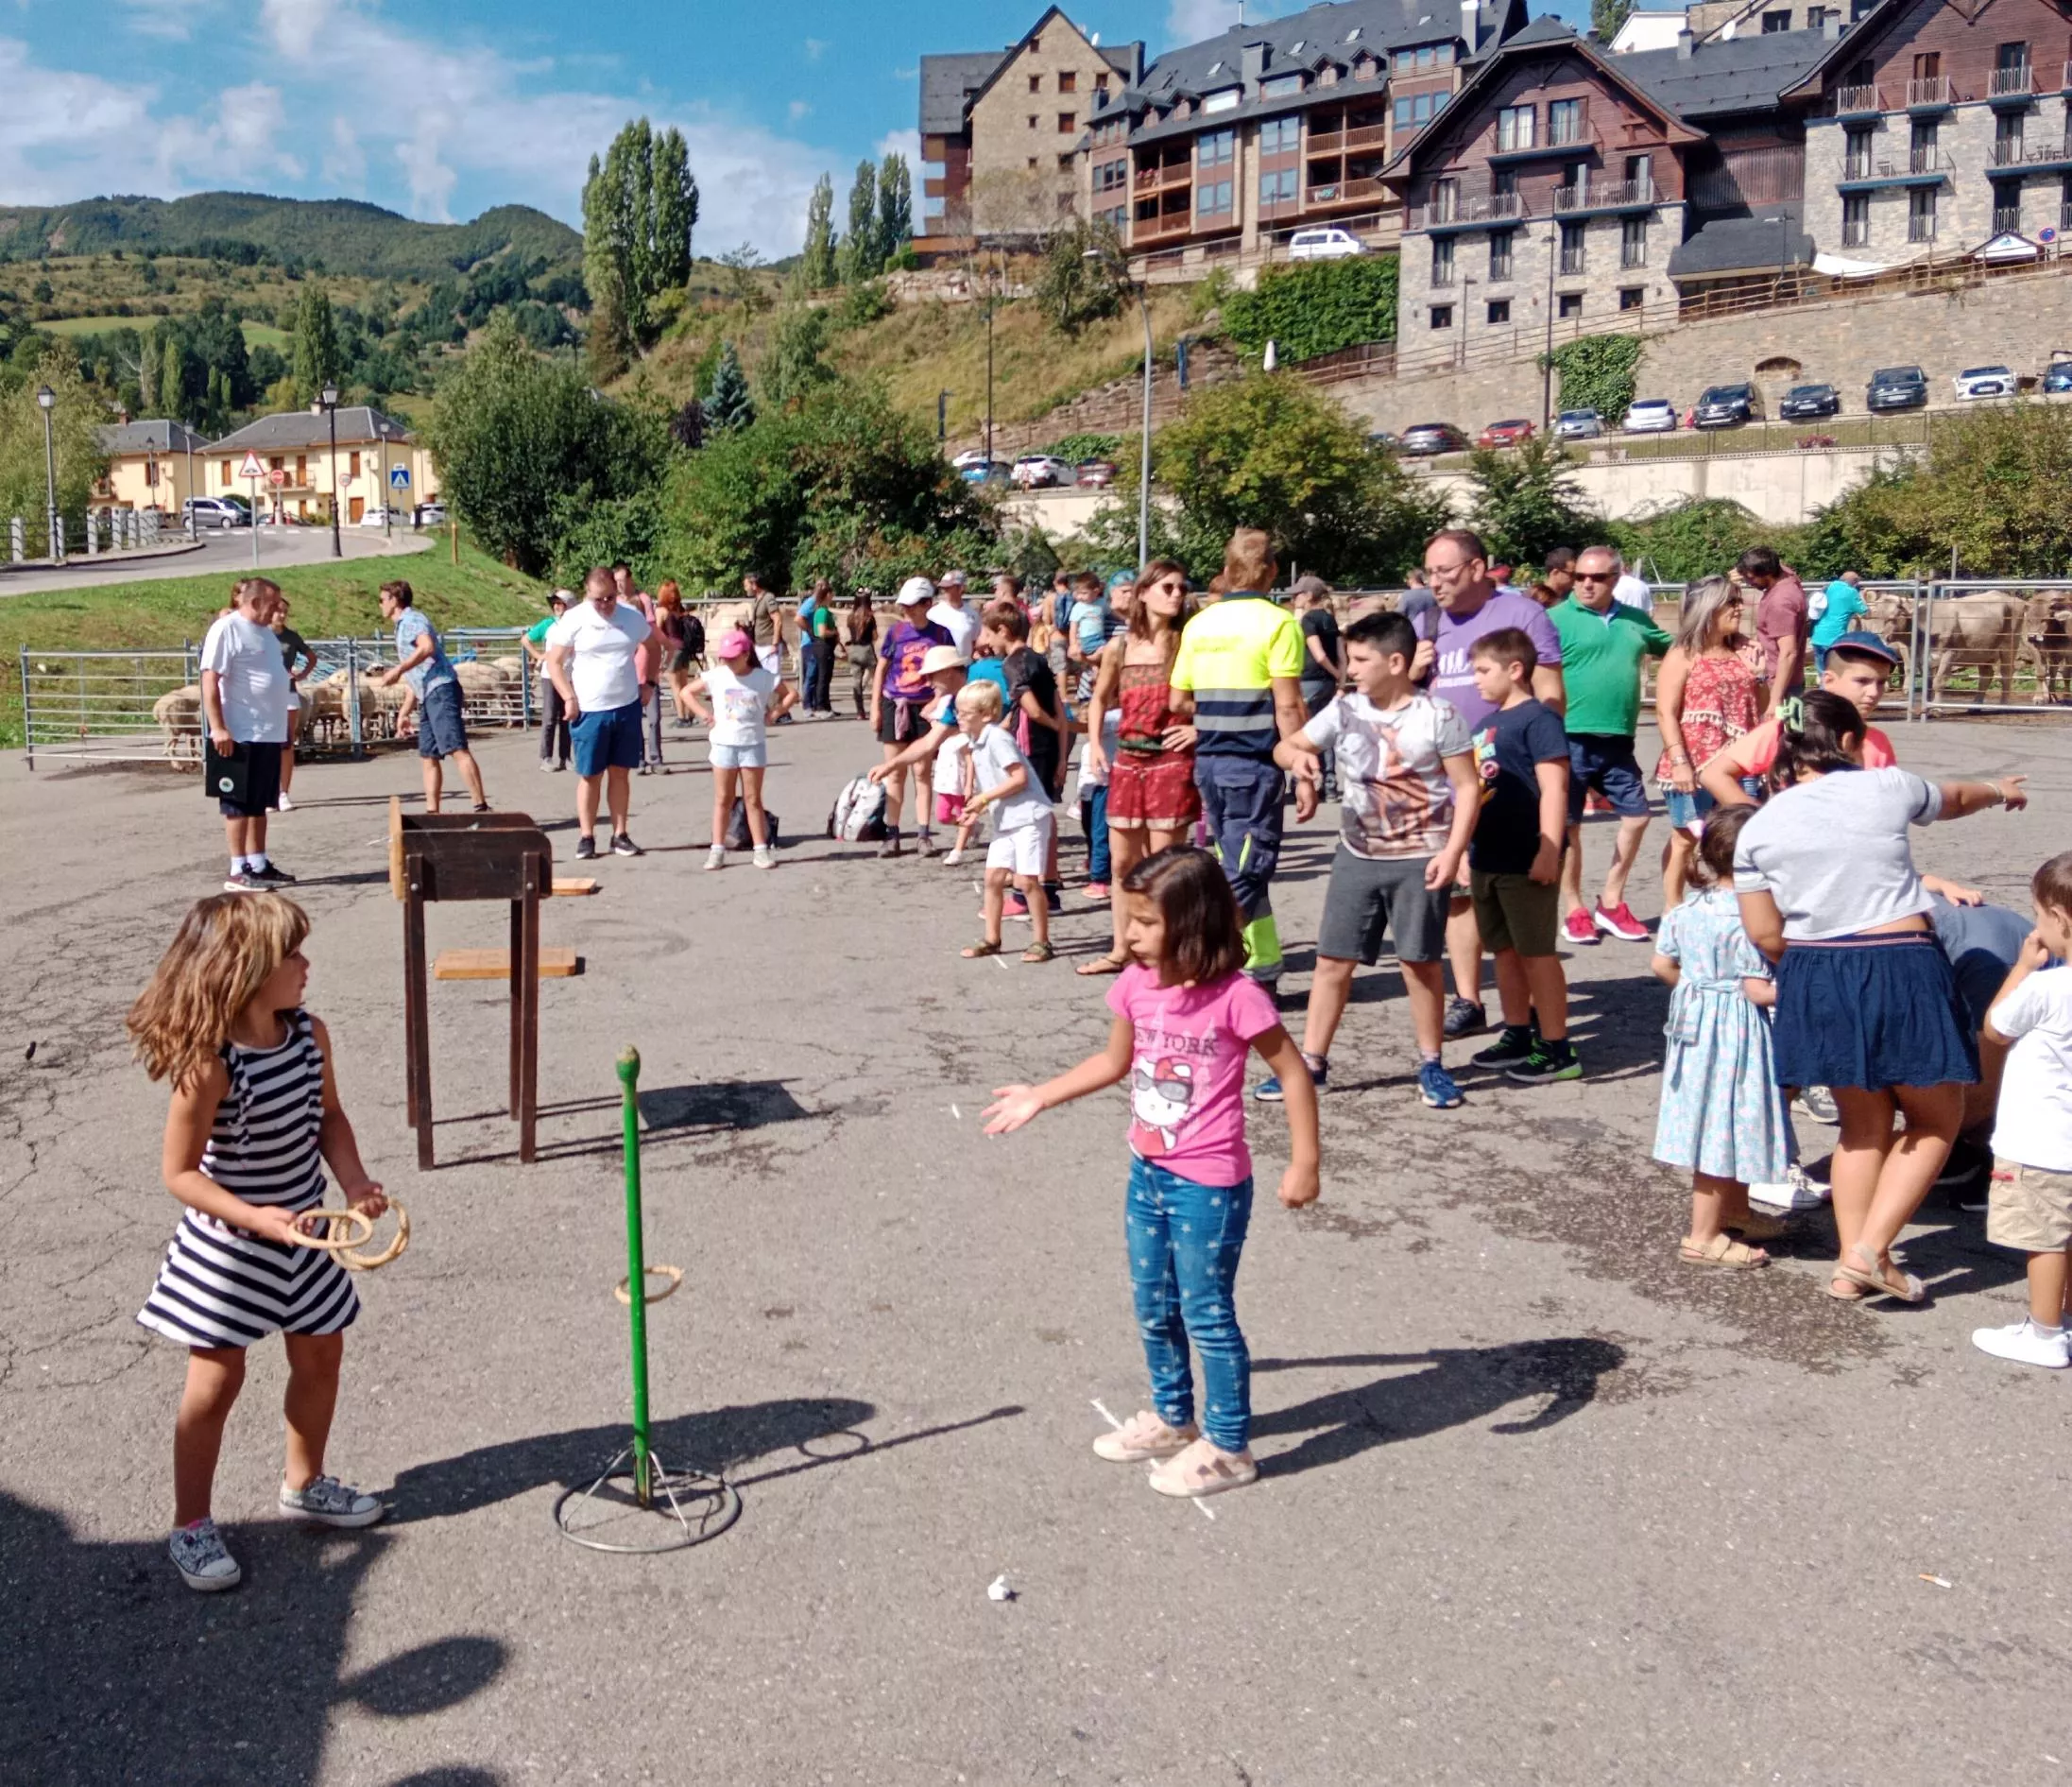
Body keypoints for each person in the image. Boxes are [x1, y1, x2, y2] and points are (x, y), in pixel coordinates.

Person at [982, 846, 1321, 1499]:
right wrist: (1040, 1094)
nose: (1129, 933)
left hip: (1209, 1184)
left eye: (1144, 921)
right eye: (1127, 918)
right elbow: (1113, 1063)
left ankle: (1227, 1445)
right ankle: (1173, 1418)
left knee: (1206, 1312)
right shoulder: (1136, 985)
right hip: (1147, 1171)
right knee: (1152, 1304)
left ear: (1193, 924)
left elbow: (1291, 1071)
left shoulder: (1236, 996)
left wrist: (1304, 1161)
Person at [128, 892, 387, 1591]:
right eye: (292, 955)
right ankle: (190, 1523)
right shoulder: (210, 1064)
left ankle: (305, 1483)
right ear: (246, 971)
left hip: (305, 1235)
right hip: (230, 1249)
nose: (306, 965)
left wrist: (355, 1181)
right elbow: (179, 1174)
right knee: (216, 1381)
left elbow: (328, 1117)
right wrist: (257, 1216)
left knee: (321, 1355)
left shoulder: (309, 1035)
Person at [1733, 691, 2028, 1303]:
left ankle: (1849, 1264)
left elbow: (1762, 931)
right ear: (1846, 742)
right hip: (1898, 964)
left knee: (1860, 1126)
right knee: (1934, 1118)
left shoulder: (1758, 826)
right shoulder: (1884, 785)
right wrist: (1999, 789)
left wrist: (1818, 967)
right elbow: (1956, 797)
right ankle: (1870, 1251)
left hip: (1813, 970)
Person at [1259, 610, 1480, 1109]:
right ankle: (1311, 1063)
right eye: (1347, 659)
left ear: (1397, 661)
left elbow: (1467, 788)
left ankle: (1431, 1063)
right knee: (1332, 962)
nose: (1350, 669)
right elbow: (1284, 747)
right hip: (1356, 854)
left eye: (1360, 660)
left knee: (1420, 964)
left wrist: (1453, 851)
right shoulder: (1343, 710)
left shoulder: (1440, 716)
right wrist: (1301, 764)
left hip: (1421, 857)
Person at [1409, 528, 1565, 1040]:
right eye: (1429, 572)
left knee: (1513, 899)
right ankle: (1470, 998)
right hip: (1443, 783)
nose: (1435, 583)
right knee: (1458, 892)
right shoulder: (1425, 621)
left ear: (1478, 568)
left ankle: (1535, 1015)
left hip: (1509, 784)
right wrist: (1411, 672)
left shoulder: (1522, 616)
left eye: (1445, 572)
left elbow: (1551, 697)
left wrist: (1526, 756)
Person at [1168, 528, 1315, 984]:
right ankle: (1194, 958)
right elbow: (1288, 705)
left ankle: (1262, 965)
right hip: (1253, 765)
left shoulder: (1199, 624)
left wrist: (1216, 715)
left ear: (1227, 572)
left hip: (1210, 763)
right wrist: (1305, 771)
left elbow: (1177, 702)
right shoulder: (1278, 623)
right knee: (1248, 869)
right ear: (1271, 571)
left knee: (1238, 861)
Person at [1651, 806, 1794, 1269]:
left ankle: (1734, 1209)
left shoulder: (1689, 908)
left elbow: (1662, 965)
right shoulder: (1757, 917)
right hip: (1737, 1028)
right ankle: (1703, 1235)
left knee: (1724, 1115)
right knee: (1725, 1121)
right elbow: (1763, 980)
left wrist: (1700, 991)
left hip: (1696, 1028)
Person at [1464, 628, 1580, 1083]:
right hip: (1486, 857)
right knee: (1505, 953)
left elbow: (1555, 788)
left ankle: (1557, 1046)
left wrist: (1549, 849)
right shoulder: (1484, 725)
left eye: (1483, 670)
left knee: (1537, 954)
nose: (1475, 679)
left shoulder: (1539, 719)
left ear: (1515, 670)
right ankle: (1517, 1032)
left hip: (1526, 856)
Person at [1973, 852, 2072, 1366]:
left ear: (2059, 919)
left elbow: (1996, 1028)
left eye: (2038, 915)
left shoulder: (2047, 987)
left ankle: (2044, 1334)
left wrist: (2021, 966)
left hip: (2042, 1145)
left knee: (2046, 1241)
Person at [1550, 545, 1673, 947]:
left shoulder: (1635, 620)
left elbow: (1679, 651)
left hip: (1619, 737)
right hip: (1567, 737)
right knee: (1569, 828)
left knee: (1637, 817)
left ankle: (1612, 900)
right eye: (1581, 576)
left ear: (1615, 580)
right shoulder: (1554, 619)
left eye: (1597, 577)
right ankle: (1574, 908)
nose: (1586, 583)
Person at [1083, 560, 1198, 972]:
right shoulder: (1120, 646)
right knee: (1121, 864)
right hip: (1128, 759)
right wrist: (1095, 743)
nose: (1176, 595)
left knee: (1165, 865)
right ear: (1144, 591)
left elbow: (1216, 696)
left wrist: (1197, 729)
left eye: (1181, 588)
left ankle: (1167, 952)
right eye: (1167, 587)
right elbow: (1099, 698)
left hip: (1171, 761)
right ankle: (1122, 949)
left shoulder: (1188, 642)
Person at [1652, 576, 1762, 907]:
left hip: (1741, 762)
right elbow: (1665, 713)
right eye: (1732, 601)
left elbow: (1759, 705)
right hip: (1695, 763)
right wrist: (1679, 762)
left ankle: (1731, 904)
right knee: (1686, 838)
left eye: (1739, 600)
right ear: (1709, 607)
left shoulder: (1743, 649)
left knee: (1741, 834)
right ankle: (1673, 909)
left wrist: (1758, 674)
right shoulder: (1684, 654)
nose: (1740, 608)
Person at [544, 566, 652, 861]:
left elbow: (651, 646)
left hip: (626, 705)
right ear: (587, 595)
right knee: (590, 774)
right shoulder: (575, 618)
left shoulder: (632, 617)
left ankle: (620, 834)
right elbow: (554, 662)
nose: (604, 605)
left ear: (617, 593)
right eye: (597, 599)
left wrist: (649, 682)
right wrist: (568, 697)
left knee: (621, 773)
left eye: (608, 598)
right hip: (590, 709)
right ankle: (587, 836)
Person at [200, 577, 295, 893]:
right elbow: (210, 679)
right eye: (273, 604)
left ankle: (259, 862)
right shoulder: (227, 629)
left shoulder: (266, 633)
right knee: (237, 805)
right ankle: (237, 868)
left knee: (259, 804)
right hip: (240, 731)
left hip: (267, 731)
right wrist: (218, 727)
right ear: (254, 603)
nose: (278, 610)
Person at [952, 681, 1056, 965]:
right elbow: (997, 787)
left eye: (965, 712)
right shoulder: (976, 742)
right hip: (1006, 819)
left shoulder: (997, 738)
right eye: (957, 710)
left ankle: (1042, 941)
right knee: (993, 879)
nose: (958, 716)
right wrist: (978, 808)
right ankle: (992, 939)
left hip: (1029, 817)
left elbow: (1019, 778)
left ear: (986, 714)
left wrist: (983, 799)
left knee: (1026, 881)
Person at [373, 580, 489, 817]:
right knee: (428, 755)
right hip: (427, 693)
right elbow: (418, 674)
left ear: (394, 600)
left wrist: (397, 669)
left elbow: (426, 647)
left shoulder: (412, 620)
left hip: (441, 689)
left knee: (456, 748)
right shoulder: (402, 626)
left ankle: (481, 807)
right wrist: (405, 712)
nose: (379, 605)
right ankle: (432, 813)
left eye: (382, 600)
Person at [984, 597, 1069, 913]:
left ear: (1003, 630)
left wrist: (1048, 723)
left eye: (990, 635)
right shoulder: (1038, 658)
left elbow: (1033, 708)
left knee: (1025, 819)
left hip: (1032, 748)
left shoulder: (1012, 663)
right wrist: (1061, 748)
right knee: (1044, 816)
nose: (987, 642)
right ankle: (1049, 888)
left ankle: (1024, 894)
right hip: (1047, 748)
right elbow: (1054, 704)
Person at [684, 626, 794, 869]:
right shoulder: (717, 675)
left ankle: (760, 850)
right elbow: (686, 692)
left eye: (733, 658)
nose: (729, 662)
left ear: (746, 654)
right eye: (725, 658)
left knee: (752, 799)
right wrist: (704, 714)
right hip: (723, 744)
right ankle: (717, 850)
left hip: (752, 744)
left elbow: (791, 694)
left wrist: (775, 713)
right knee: (723, 798)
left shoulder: (762, 677)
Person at [872, 579, 954, 857]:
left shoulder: (941, 634)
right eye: (904, 606)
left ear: (927, 604)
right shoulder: (896, 632)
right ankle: (892, 833)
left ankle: (923, 833)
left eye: (912, 606)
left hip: (926, 706)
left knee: (922, 772)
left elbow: (951, 672)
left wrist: (937, 702)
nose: (906, 610)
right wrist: (874, 708)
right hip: (895, 704)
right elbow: (881, 669)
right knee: (895, 772)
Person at [1738, 546, 1809, 713]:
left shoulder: (1780, 602)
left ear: (1767, 573)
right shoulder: (1789, 578)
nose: (1748, 583)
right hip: (1793, 681)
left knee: (1782, 735)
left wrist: (1775, 701)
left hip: (1780, 685)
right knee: (1795, 732)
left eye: (1751, 578)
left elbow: (1788, 653)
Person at [1293, 574, 1344, 799]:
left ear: (1309, 596)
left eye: (1298, 594)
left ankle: (1304, 782)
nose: (1294, 597)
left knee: (1306, 732)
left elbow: (1319, 654)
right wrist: (1339, 679)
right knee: (1327, 732)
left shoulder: (1308, 620)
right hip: (1327, 683)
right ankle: (1331, 784)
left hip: (1310, 679)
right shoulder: (1329, 618)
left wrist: (1331, 671)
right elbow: (1341, 653)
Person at [610, 564, 664, 772]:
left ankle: (656, 758)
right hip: (628, 671)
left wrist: (666, 647)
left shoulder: (643, 600)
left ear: (631, 579)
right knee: (634, 719)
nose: (620, 585)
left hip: (647, 664)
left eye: (623, 580)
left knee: (654, 718)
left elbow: (652, 630)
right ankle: (639, 758)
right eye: (616, 581)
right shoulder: (614, 604)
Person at [269, 595, 315, 814]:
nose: (282, 615)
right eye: (279, 610)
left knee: (286, 744)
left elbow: (311, 657)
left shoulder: (291, 636)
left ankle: (283, 792)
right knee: (267, 745)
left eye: (285, 611)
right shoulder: (261, 634)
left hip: (288, 694)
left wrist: (301, 674)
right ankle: (268, 791)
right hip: (267, 696)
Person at [523, 592, 573, 770]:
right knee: (550, 716)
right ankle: (546, 757)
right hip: (550, 676)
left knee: (567, 717)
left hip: (569, 675)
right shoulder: (548, 624)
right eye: (555, 604)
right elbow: (526, 639)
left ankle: (565, 757)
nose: (557, 607)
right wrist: (539, 656)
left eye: (561, 603)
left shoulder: (574, 624)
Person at [1809, 571, 1868, 672]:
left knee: (1823, 674)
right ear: (1855, 582)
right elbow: (1866, 614)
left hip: (1818, 636)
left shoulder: (1830, 586)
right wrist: (1862, 595)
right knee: (1835, 673)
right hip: (1835, 639)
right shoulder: (1851, 592)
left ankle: (1824, 687)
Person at [802, 579, 840, 714]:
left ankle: (825, 705)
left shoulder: (822, 611)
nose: (833, 597)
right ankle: (820, 707)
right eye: (831, 594)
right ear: (827, 595)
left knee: (825, 676)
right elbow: (822, 632)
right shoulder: (822, 612)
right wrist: (835, 632)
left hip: (823, 647)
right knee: (823, 677)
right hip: (823, 647)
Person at [929, 568, 980, 662]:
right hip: (942, 665)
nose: (944, 591)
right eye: (943, 588)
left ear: (961, 588)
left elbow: (974, 642)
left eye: (949, 588)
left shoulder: (972, 615)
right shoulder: (933, 613)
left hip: (965, 666)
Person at [844, 591, 879, 720]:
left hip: (854, 650)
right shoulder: (870, 617)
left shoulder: (850, 617)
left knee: (856, 681)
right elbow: (875, 636)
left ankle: (860, 712)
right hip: (867, 649)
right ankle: (878, 706)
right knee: (877, 678)